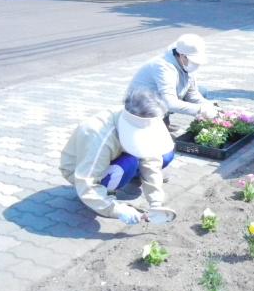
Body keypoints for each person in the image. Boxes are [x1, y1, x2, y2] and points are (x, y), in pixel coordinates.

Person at [59, 88, 175, 224]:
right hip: (80, 170)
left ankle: (131, 177)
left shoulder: (144, 118)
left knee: (165, 155)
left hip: (112, 157)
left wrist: (156, 201)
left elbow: (151, 159)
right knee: (130, 163)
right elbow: (86, 182)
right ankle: (103, 195)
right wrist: (116, 209)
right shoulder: (97, 135)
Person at [127, 34, 218, 128]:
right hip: (140, 109)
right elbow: (170, 103)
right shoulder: (163, 67)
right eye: (194, 62)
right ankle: (156, 124)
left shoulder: (186, 64)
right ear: (182, 56)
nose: (196, 65)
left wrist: (208, 106)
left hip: (161, 100)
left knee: (202, 91)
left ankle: (163, 120)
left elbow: (192, 94)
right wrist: (200, 109)